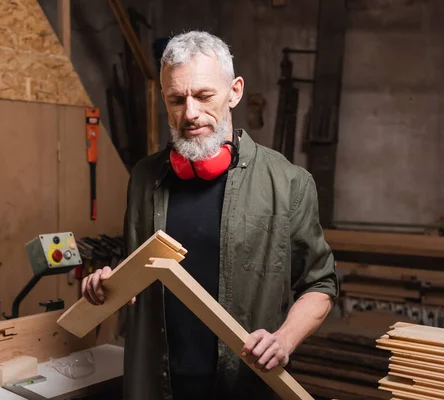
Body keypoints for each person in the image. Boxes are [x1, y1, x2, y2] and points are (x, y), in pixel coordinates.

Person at [81, 31, 339, 400]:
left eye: (204, 96)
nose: (190, 113)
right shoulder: (143, 178)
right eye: (176, 99)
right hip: (158, 386)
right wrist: (109, 283)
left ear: (234, 91)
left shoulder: (289, 183)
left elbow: (320, 284)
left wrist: (284, 339)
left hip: (245, 387)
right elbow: (138, 273)